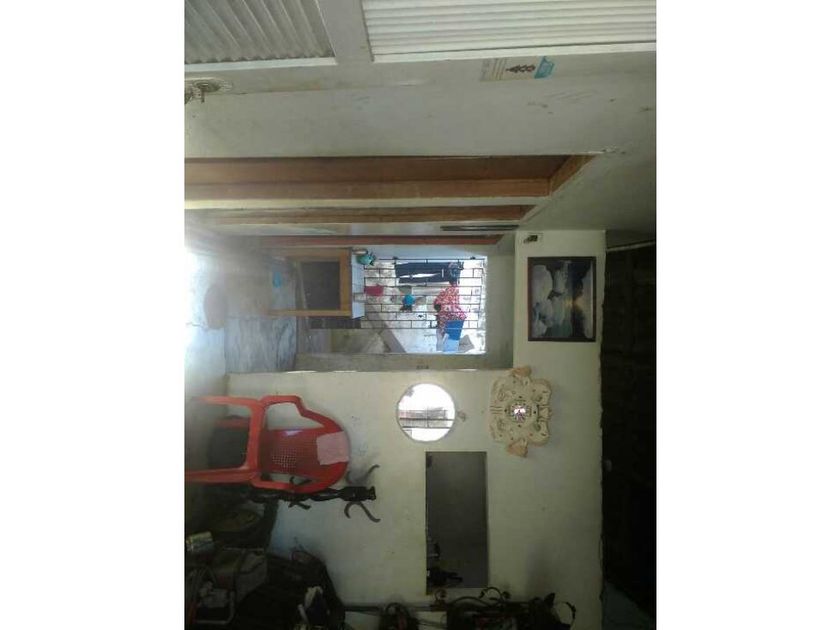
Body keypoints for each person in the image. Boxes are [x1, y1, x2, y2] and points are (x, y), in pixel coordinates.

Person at [433, 274, 466, 352]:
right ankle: (448, 348)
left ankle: (444, 348)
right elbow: (455, 304)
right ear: (456, 282)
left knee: (443, 332)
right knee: (450, 335)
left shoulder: (445, 291)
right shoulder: (456, 290)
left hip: (446, 315)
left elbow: (437, 302)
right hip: (454, 316)